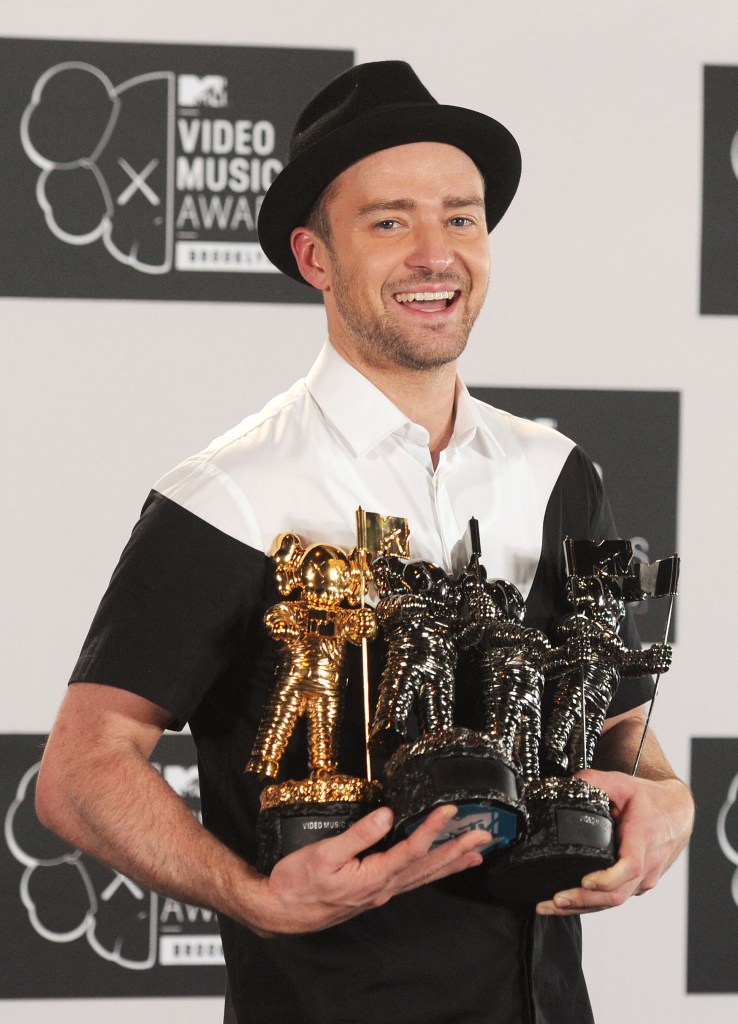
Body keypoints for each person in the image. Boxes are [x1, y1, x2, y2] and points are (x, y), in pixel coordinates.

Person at [36, 61, 694, 1024]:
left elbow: (613, 724)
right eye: (390, 222)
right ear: (316, 256)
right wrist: (257, 898)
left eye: (459, 217)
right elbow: (80, 770)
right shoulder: (231, 493)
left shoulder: (553, 471)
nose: (436, 253)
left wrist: (668, 796)